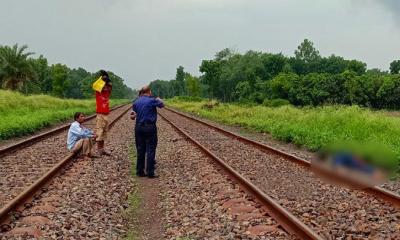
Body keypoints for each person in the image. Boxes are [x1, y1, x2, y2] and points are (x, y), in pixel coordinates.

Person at [132, 85, 164, 178]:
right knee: (150, 148)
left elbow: (133, 115)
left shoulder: (136, 101)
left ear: (142, 92)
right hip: (150, 127)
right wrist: (159, 99)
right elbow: (162, 105)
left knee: (140, 149)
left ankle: (140, 171)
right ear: (149, 91)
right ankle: (150, 172)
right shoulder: (152, 100)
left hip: (138, 127)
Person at [95, 70, 112, 156]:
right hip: (100, 113)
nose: (106, 88)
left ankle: (102, 149)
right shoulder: (98, 91)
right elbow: (95, 85)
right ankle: (99, 150)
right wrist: (102, 78)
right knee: (99, 132)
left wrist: (106, 80)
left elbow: (110, 85)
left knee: (104, 132)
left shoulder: (107, 90)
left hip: (105, 113)